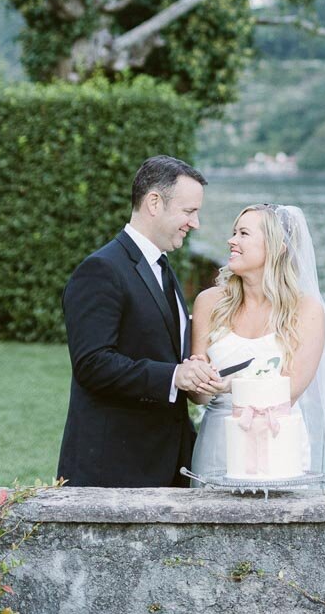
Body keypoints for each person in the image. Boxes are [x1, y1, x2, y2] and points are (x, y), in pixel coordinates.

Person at [57, 156, 223, 488]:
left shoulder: (162, 267)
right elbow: (92, 363)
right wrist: (174, 375)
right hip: (114, 470)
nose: (196, 223)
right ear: (153, 203)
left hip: (167, 462)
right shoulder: (102, 270)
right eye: (189, 212)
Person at [190, 203, 325, 490]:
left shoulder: (306, 311)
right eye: (233, 233)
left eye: (243, 234)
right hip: (218, 442)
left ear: (277, 247)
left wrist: (229, 385)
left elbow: (289, 390)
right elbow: (197, 397)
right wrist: (197, 379)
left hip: (278, 445)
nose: (232, 241)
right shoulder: (209, 302)